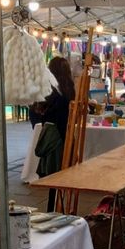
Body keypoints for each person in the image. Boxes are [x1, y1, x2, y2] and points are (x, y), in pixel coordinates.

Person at [30, 58, 76, 211]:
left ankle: (53, 208)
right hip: (60, 136)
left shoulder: (52, 89)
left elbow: (37, 111)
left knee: (54, 178)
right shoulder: (66, 90)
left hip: (54, 136)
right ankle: (56, 209)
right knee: (58, 177)